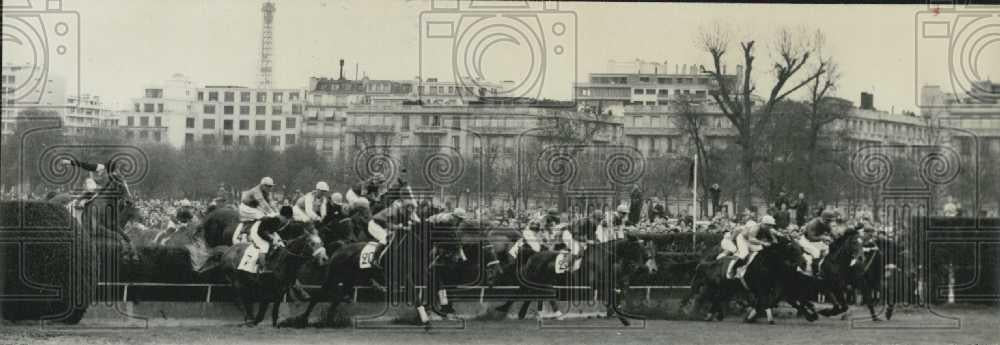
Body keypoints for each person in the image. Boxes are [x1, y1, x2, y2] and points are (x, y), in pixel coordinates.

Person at [798, 210, 837, 276]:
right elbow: (811, 238)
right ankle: (814, 273)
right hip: (806, 240)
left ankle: (823, 269)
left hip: (817, 240)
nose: (829, 223)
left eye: (830, 221)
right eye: (828, 221)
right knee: (816, 252)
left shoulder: (826, 224)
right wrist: (823, 237)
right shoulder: (813, 224)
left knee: (828, 251)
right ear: (822, 219)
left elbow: (833, 235)